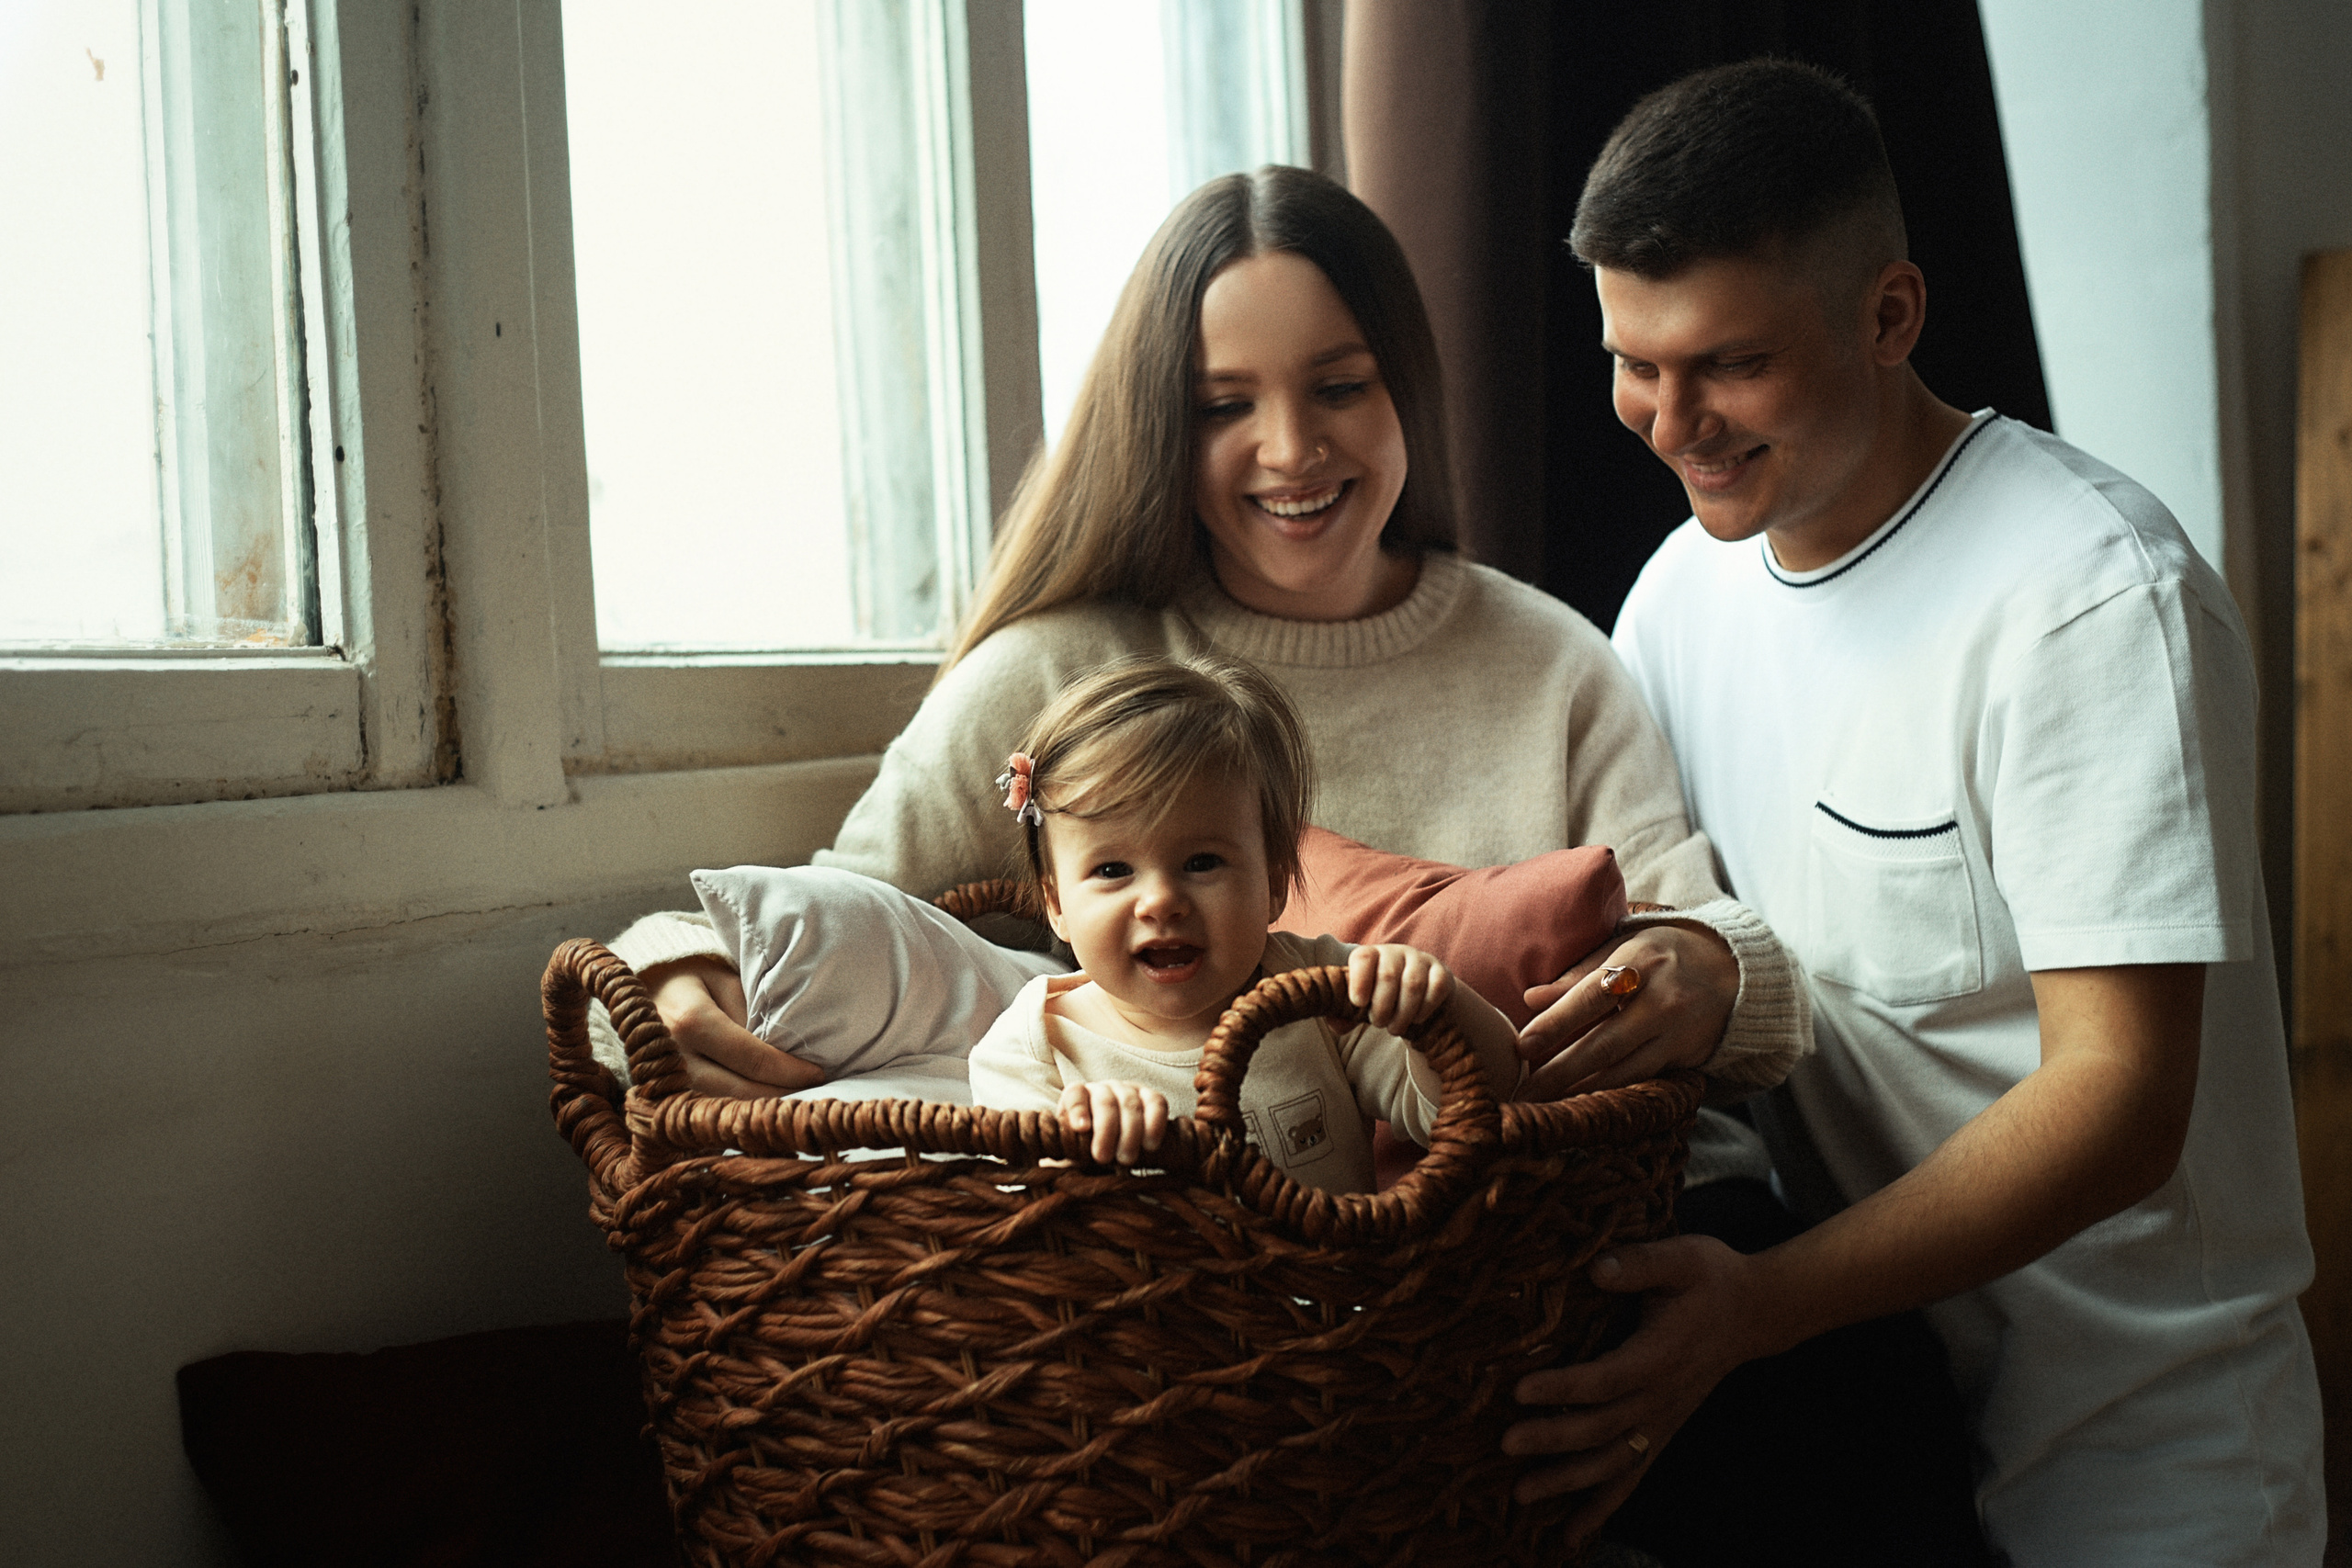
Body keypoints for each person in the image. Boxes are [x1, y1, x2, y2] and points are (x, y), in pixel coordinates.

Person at [1505, 60, 2325, 1566]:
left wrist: (1759, 1304)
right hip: (1869, 1440)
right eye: (1636, 361)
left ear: (1891, 317)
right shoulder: (1677, 598)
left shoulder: (2088, 595)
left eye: (1728, 364)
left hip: (2151, 1457)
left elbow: (2123, 1102)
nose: (1670, 420)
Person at [605, 166, 1812, 1174]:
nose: (1292, 449)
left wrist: (1711, 972)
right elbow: (836, 918)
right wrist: (669, 979)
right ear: (1158, 425)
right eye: (1225, 404)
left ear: (1411, 390)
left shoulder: (1552, 659)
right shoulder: (1064, 671)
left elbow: (1708, 957)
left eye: (1340, 386)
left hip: (1543, 1256)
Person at [964, 651, 1522, 1190]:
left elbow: (1477, 1105)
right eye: (1113, 869)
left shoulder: (1322, 990)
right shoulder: (1036, 1043)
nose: (1160, 901)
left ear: (1275, 883)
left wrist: (1434, 1006)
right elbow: (1022, 1223)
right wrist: (1076, 1153)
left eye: (1202, 862)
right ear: (1056, 904)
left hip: (1338, 1283)